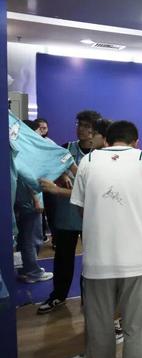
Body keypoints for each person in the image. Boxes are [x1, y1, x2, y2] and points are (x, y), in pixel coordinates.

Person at [70, 120, 142, 358]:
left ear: (107, 140)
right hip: (139, 261)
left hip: (98, 262)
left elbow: (81, 208)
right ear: (136, 142)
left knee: (99, 331)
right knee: (136, 330)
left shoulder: (88, 161)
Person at [38, 109, 101, 314]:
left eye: (86, 126)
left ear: (95, 130)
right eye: (79, 124)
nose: (81, 129)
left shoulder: (100, 155)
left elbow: (92, 190)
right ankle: (58, 295)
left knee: (92, 261)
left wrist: (59, 189)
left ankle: (88, 299)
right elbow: (49, 170)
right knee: (63, 258)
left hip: (91, 217)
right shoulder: (65, 149)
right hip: (67, 215)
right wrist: (61, 175)